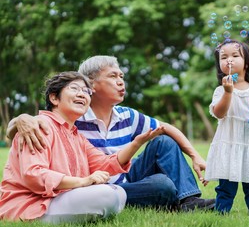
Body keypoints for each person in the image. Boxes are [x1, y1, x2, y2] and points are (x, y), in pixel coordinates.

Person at [6, 56, 215, 211]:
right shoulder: (73, 116)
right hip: (93, 186)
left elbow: (166, 127)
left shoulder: (127, 115)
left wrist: (195, 156)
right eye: (113, 76)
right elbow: (34, 125)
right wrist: (20, 119)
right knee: (162, 185)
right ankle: (164, 198)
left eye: (122, 76)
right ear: (91, 84)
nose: (121, 82)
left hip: (124, 178)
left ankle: (189, 200)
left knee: (163, 141)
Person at [0, 71, 165, 223]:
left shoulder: (76, 136)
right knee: (107, 195)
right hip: (29, 204)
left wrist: (136, 143)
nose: (82, 94)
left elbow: (105, 163)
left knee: (118, 193)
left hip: (58, 199)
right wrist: (83, 181)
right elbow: (33, 174)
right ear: (54, 98)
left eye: (87, 91)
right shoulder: (38, 126)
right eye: (74, 89)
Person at [205, 39, 249, 216]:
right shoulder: (220, 90)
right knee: (225, 187)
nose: (229, 60)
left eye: (235, 55)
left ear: (246, 63)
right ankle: (221, 214)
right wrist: (228, 92)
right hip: (229, 145)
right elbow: (219, 113)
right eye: (224, 57)